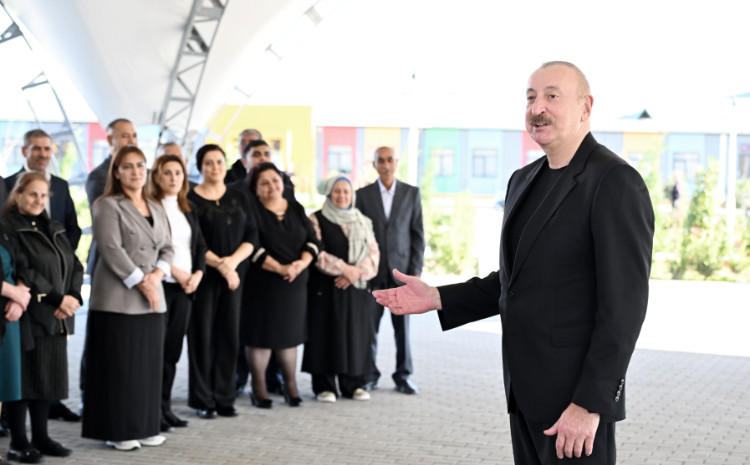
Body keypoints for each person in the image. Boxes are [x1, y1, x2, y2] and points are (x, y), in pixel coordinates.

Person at [372, 61, 655, 465]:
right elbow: (514, 282)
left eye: (552, 96)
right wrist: (437, 297)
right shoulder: (523, 180)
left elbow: (624, 308)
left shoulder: (613, 181)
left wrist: (590, 405)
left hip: (574, 404)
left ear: (585, 107)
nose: (537, 108)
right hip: (524, 394)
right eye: (531, 97)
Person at [82, 146, 173, 452]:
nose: (136, 171)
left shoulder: (155, 204)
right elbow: (111, 249)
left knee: (147, 368)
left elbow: (168, 248)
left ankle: (145, 427)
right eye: (128, 166)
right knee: (120, 368)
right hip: (118, 298)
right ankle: (118, 430)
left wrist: (156, 277)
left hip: (153, 298)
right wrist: (142, 282)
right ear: (117, 173)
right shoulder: (107, 204)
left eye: (140, 165)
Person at [3, 172, 83, 462]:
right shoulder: (10, 227)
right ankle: (18, 442)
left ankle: (41, 437)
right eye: (32, 194)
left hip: (58, 314)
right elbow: (25, 269)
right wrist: (57, 299)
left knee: (47, 379)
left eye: (43, 195)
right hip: (31, 313)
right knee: (24, 381)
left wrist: (73, 296)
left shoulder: (54, 227)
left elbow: (75, 264)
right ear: (18, 195)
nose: (38, 200)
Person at [187, 144, 255, 419]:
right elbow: (194, 241)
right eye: (209, 163)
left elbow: (252, 235)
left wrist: (232, 264)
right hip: (203, 277)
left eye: (219, 162)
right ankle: (203, 399)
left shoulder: (239, 196)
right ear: (200, 167)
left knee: (229, 335)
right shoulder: (190, 198)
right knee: (202, 337)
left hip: (234, 278)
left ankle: (225, 397)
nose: (215, 167)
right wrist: (222, 266)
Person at [243, 162, 318, 409]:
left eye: (275, 180)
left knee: (289, 336)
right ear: (255, 189)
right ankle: (259, 389)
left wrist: (300, 265)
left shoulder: (295, 208)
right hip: (263, 285)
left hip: (294, 286)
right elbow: (252, 246)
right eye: (264, 183)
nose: (272, 186)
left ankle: (290, 385)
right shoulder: (251, 211)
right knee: (261, 338)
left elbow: (313, 242)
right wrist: (280, 268)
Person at [302, 176, 379, 402]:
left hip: (356, 288)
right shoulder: (316, 219)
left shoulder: (363, 221)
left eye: (346, 191)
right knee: (326, 334)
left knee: (355, 335)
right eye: (337, 191)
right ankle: (324, 386)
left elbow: (374, 254)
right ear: (329, 193)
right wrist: (345, 269)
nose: (342, 196)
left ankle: (354, 384)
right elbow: (317, 252)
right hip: (326, 288)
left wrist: (355, 273)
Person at [79, 118, 138, 413]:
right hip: (108, 265)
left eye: (134, 135)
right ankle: (88, 395)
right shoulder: (99, 176)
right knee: (99, 335)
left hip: (139, 266)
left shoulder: (142, 175)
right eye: (125, 135)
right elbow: (111, 221)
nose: (131, 140)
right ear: (110, 139)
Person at [355, 146, 424, 395]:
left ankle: (403, 376)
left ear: (396, 162)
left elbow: (417, 235)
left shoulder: (411, 193)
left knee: (402, 329)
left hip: (401, 273)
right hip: (372, 273)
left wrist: (415, 272)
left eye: (389, 160)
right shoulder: (362, 195)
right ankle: (368, 375)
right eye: (380, 161)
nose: (385, 165)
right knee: (368, 328)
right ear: (374, 164)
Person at [149, 154, 206, 432]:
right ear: (156, 177)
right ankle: (153, 410)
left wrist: (197, 275)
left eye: (178, 173)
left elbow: (200, 246)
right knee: (156, 352)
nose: (173, 178)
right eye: (167, 172)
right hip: (162, 285)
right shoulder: (150, 207)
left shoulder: (188, 207)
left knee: (172, 352)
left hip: (186, 288)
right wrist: (178, 273)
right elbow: (150, 249)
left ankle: (166, 407)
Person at [233, 139, 294, 398]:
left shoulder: (285, 186)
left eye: (267, 153)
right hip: (247, 270)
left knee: (277, 330)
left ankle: (274, 379)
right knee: (249, 330)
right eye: (256, 153)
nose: (262, 157)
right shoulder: (235, 190)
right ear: (244, 159)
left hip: (281, 275)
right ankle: (239, 379)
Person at [5, 129, 82, 250]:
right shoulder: (8, 184)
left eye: (47, 149)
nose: (43, 154)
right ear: (24, 151)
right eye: (36, 148)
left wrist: (64, 255)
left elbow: (73, 228)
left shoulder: (61, 185)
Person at [0, 220, 32, 465]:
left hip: (8, 316)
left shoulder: (3, 228)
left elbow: (22, 262)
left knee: (3, 385)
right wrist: (13, 293)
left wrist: (20, 295)